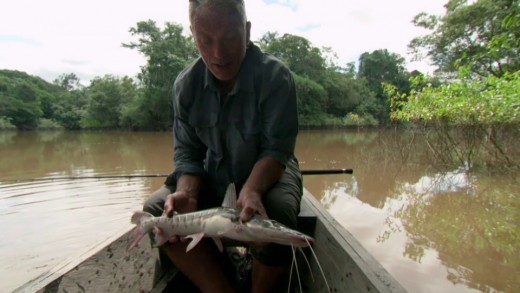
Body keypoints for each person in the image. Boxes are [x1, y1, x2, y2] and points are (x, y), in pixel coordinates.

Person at [143, 0, 302, 292]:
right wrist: (187, 193)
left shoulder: (275, 77)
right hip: (213, 172)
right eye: (206, 40)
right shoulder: (185, 86)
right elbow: (188, 153)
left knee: (277, 211)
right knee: (157, 211)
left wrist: (252, 189)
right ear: (193, 35)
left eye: (230, 37)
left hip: (268, 172)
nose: (219, 53)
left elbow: (277, 150)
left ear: (247, 30)